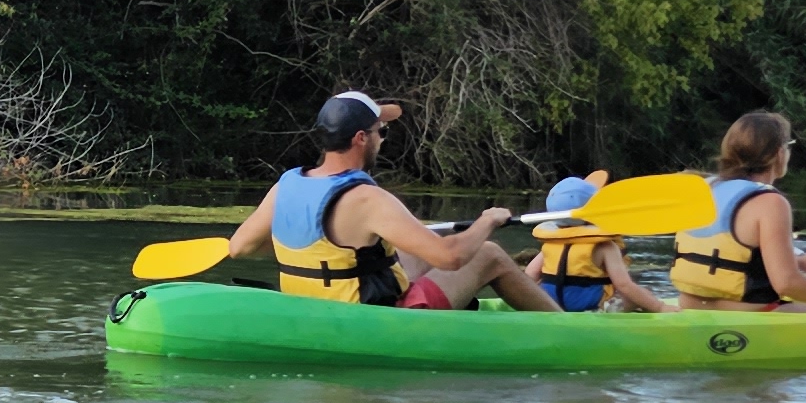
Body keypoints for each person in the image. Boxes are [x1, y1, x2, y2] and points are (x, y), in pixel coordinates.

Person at [222, 90, 563, 311]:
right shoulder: (369, 198)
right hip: (373, 318)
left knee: (413, 247)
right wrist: (487, 221)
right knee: (487, 254)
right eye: (380, 132)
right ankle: (570, 327)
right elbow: (451, 257)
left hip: (313, 305)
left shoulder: (285, 186)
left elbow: (239, 248)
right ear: (360, 138)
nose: (383, 140)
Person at [669, 112, 806, 308]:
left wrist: (799, 263)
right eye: (789, 146)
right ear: (779, 153)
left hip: (691, 308)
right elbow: (788, 284)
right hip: (749, 314)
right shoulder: (771, 203)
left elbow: (738, 257)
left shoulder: (704, 188)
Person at [528, 172, 671, 313]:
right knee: (641, 294)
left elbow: (530, 274)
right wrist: (659, 307)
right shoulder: (605, 246)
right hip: (593, 310)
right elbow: (624, 285)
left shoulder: (551, 243)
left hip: (552, 305)